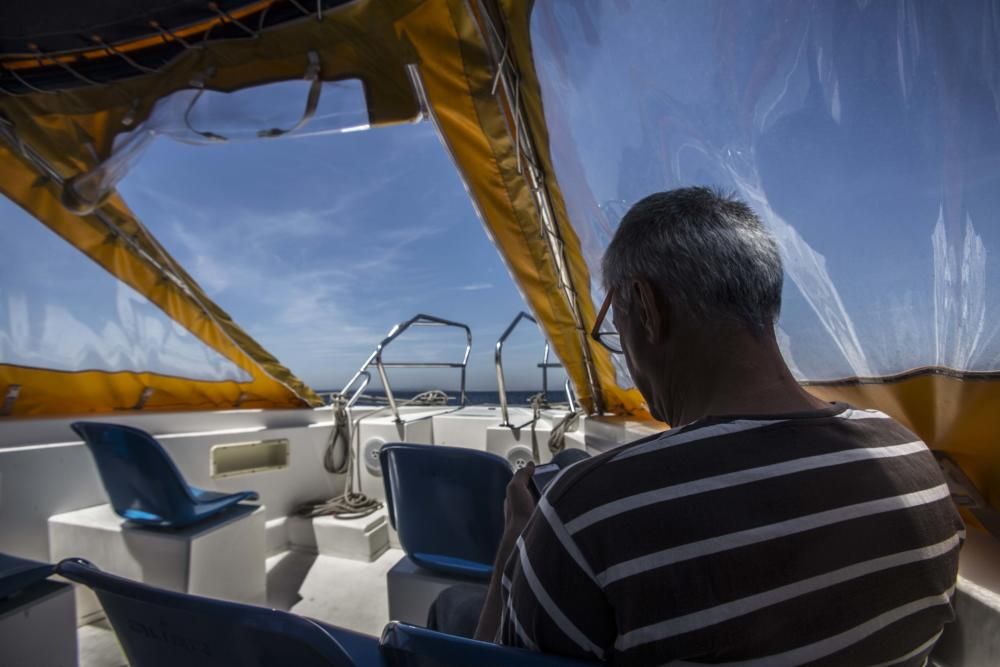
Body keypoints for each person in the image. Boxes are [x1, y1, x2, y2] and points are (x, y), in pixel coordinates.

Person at [473, 187, 964, 666]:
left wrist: (517, 541)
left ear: (647, 308)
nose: (627, 367)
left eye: (616, 328)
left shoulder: (585, 515)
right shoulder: (914, 463)